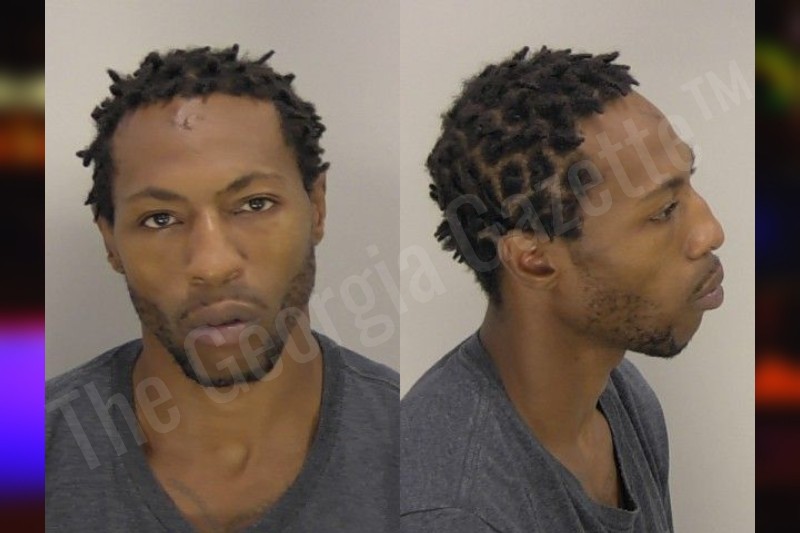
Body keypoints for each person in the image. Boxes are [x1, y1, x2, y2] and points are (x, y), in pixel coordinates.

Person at [46, 45, 398, 533]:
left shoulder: (416, 445)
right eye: (160, 218)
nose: (212, 265)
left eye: (254, 204)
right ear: (110, 241)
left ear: (316, 207)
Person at [401, 46, 725, 532]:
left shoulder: (622, 397)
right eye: (662, 211)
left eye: (688, 186)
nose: (711, 232)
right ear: (533, 260)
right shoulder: (454, 512)